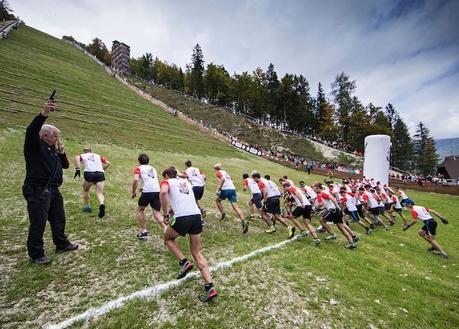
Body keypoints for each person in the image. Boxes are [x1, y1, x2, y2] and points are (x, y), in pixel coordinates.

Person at [22, 99, 78, 265]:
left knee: (58, 217)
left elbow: (66, 166)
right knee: (38, 222)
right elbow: (31, 130)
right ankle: (36, 253)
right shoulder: (34, 146)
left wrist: (61, 152)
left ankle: (61, 243)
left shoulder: (52, 152)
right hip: (37, 189)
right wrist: (44, 113)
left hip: (53, 190)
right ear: (44, 135)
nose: (57, 138)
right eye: (55, 136)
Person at [160, 167, 218, 301]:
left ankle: (184, 262)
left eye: (165, 177)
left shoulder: (167, 182)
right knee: (197, 252)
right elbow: (185, 201)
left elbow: (163, 193)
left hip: (182, 218)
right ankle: (210, 287)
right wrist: (171, 211)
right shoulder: (186, 183)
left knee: (168, 239)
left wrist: (164, 213)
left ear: (167, 176)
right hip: (196, 217)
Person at [313, 183, 359, 249]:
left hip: (334, 211)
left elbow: (332, 198)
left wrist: (336, 207)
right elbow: (326, 202)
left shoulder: (322, 194)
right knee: (341, 227)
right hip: (336, 211)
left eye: (314, 188)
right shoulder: (323, 193)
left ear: (318, 188)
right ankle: (351, 242)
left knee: (322, 221)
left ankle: (332, 235)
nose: (314, 190)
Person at [131, 154, 166, 239]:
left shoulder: (138, 168)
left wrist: (133, 191)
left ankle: (143, 231)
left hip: (147, 192)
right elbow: (154, 179)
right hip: (157, 190)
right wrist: (144, 187)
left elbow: (135, 179)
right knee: (157, 213)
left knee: (140, 210)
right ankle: (166, 229)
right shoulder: (153, 168)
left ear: (139, 161)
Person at [252, 173, 296, 238]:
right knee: (277, 216)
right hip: (276, 198)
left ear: (256, 178)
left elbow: (265, 192)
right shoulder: (268, 181)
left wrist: (265, 200)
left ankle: (272, 227)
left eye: (253, 178)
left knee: (262, 212)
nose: (253, 180)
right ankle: (290, 228)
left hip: (270, 199)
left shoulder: (260, 182)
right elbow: (276, 188)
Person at [74, 148, 111, 218]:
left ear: (84, 152)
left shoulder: (83, 155)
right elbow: (108, 163)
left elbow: (77, 157)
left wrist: (77, 168)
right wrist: (103, 169)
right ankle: (101, 204)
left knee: (86, 190)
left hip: (89, 173)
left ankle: (87, 206)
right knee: (99, 193)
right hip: (100, 173)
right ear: (91, 151)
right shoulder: (98, 156)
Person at [213, 163, 249, 234]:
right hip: (233, 189)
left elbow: (222, 179)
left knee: (218, 201)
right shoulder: (225, 172)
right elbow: (232, 180)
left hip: (226, 189)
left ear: (215, 169)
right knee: (235, 206)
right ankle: (243, 221)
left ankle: (224, 216)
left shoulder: (218, 173)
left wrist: (219, 189)